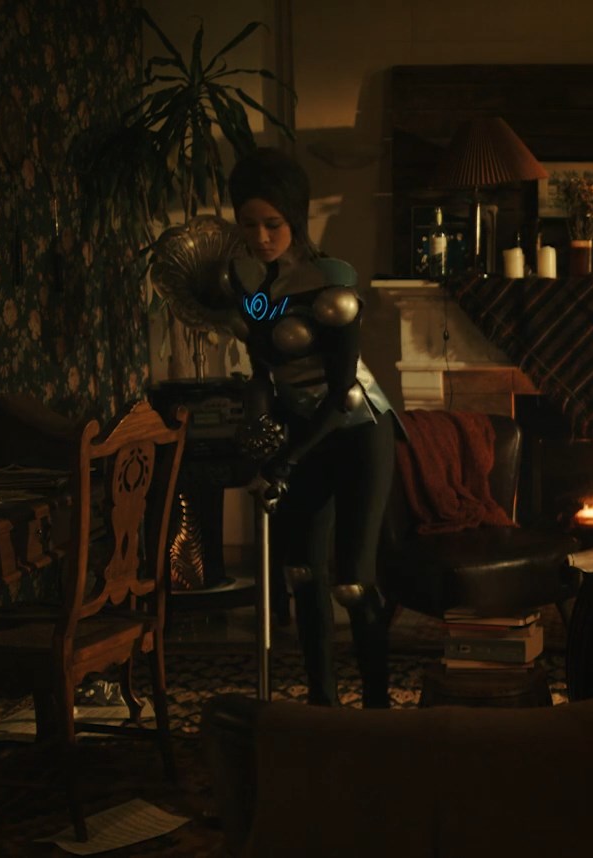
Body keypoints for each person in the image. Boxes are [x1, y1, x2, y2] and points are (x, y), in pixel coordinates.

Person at [227, 147, 403, 707]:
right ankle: (321, 705)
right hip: (300, 432)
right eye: (248, 224)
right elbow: (263, 369)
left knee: (352, 583)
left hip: (353, 430)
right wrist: (261, 428)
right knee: (302, 573)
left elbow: (342, 389)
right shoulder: (252, 284)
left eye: (272, 223)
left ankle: (377, 711)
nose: (260, 237)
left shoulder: (332, 279)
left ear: (296, 217)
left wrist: (289, 458)